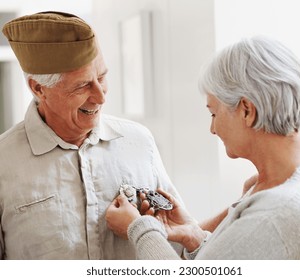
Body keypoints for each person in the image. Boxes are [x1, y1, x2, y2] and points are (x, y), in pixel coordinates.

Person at [106, 36, 300, 259]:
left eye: (214, 113)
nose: (212, 129)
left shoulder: (270, 216)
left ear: (246, 111)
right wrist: (195, 236)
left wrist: (139, 228)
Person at [0, 11, 184, 259]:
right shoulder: (4, 161)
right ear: (39, 88)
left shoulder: (139, 141)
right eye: (83, 85)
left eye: (102, 77)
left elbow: (180, 240)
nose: (101, 96)